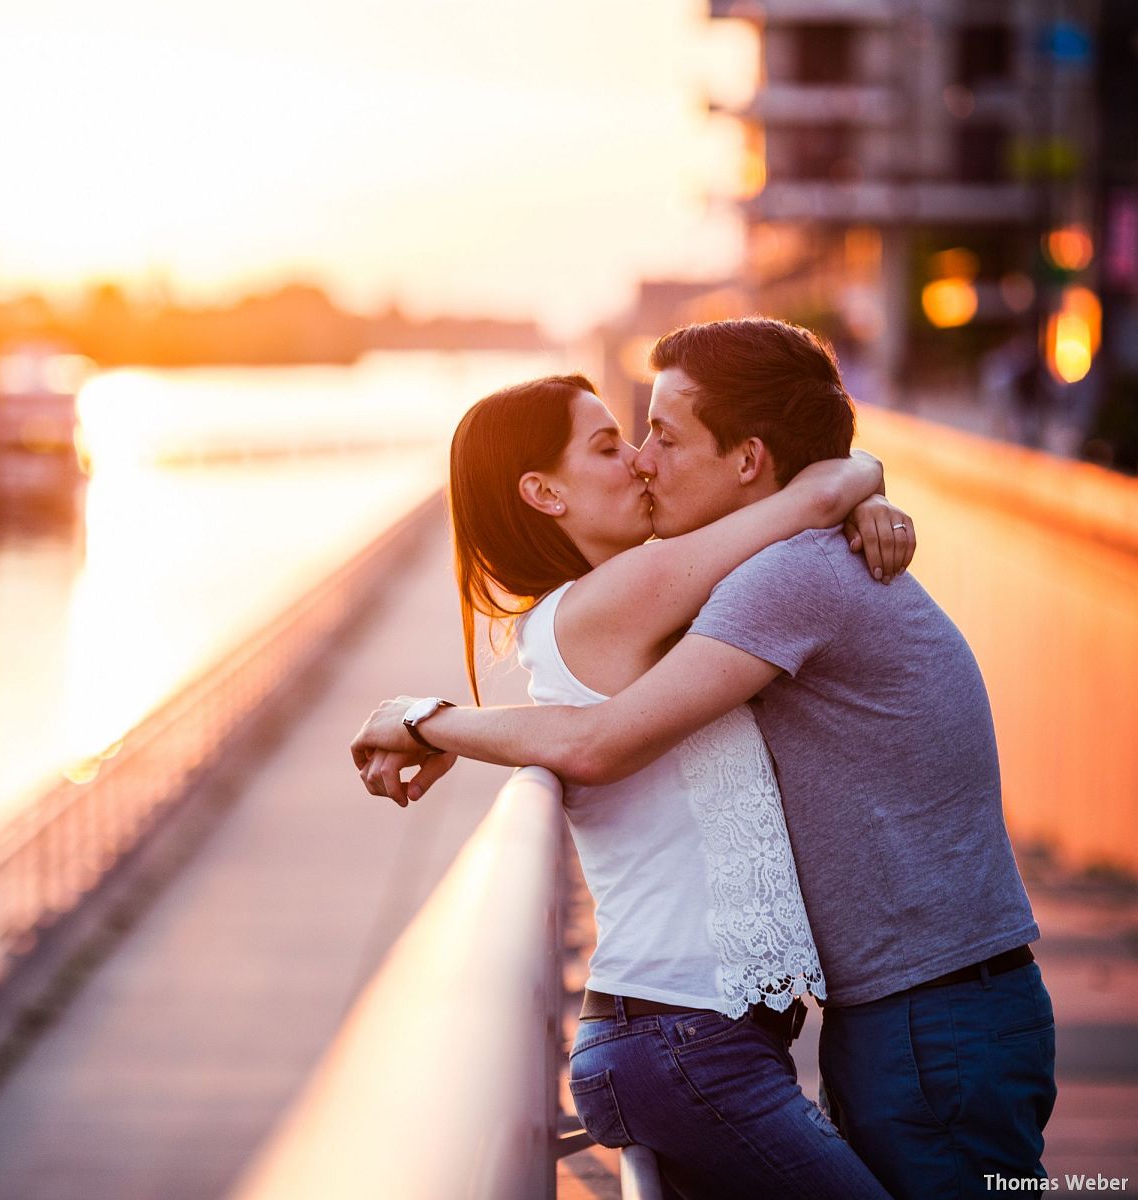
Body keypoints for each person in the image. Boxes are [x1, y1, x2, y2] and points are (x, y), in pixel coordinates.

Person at [351, 319, 1054, 1200]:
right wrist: (844, 483)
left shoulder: (765, 582)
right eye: (617, 443)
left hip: (915, 1017)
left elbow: (600, 729)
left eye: (657, 436)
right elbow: (597, 739)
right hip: (776, 1031)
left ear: (749, 459)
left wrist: (851, 489)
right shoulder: (682, 590)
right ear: (544, 493)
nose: (642, 460)